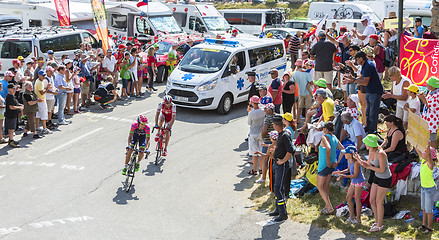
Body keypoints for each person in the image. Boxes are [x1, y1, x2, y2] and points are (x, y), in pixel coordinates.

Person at [357, 134, 391, 232]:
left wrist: (369, 167)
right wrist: (359, 160)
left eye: (366, 142)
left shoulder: (381, 154)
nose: (364, 144)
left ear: (371, 144)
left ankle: (380, 225)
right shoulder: (371, 150)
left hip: (384, 178)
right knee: (372, 200)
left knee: (379, 202)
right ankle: (377, 221)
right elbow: (368, 164)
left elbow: (381, 169)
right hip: (377, 177)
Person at [347, 51, 384, 134]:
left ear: (361, 58)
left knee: (372, 112)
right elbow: (362, 78)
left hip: (375, 91)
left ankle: (372, 130)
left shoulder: (368, 65)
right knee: (368, 111)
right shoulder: (365, 65)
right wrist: (352, 79)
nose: (356, 62)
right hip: (369, 90)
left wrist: (353, 80)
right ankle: (368, 128)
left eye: (356, 60)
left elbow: (365, 82)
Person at [270, 115, 294, 222]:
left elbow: (291, 150)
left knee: (278, 188)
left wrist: (283, 161)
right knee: (277, 187)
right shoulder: (281, 134)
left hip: (282, 165)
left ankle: (283, 213)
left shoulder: (284, 135)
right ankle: (278, 209)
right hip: (277, 163)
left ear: (276, 125)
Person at [317, 122, 343, 215]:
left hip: (324, 165)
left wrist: (327, 161)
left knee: (320, 187)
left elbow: (328, 148)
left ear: (326, 129)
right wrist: (338, 161)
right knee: (326, 186)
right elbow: (342, 149)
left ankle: (329, 206)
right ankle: (326, 206)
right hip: (332, 165)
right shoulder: (334, 137)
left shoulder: (324, 137)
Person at [335, 145, 365, 224]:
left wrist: (343, 176)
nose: (344, 155)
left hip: (358, 181)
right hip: (354, 181)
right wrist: (340, 172)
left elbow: (355, 175)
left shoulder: (356, 163)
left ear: (351, 154)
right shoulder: (349, 160)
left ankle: (358, 219)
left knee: (357, 199)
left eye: (346, 153)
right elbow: (348, 170)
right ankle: (352, 216)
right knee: (348, 197)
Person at [414, 145, 437, 234]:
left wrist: (427, 146)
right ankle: (424, 224)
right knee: (423, 208)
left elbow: (428, 156)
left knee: (429, 210)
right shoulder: (423, 161)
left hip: (429, 189)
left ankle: (430, 227)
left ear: (429, 156)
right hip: (424, 188)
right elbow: (419, 152)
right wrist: (415, 144)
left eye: (424, 152)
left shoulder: (430, 164)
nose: (421, 153)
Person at [247, 95, 265, 177]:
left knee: (254, 153)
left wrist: (249, 111)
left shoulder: (251, 113)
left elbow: (249, 123)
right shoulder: (262, 110)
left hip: (253, 133)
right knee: (261, 152)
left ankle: (254, 170)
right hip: (261, 133)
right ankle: (261, 169)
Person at [419, 76, 439, 149]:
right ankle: (428, 152)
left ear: (432, 86)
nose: (426, 85)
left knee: (432, 138)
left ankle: (433, 155)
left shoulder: (437, 95)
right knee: (427, 137)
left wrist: (423, 99)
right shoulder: (431, 92)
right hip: (428, 118)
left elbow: (430, 106)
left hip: (433, 120)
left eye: (428, 84)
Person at [292, 59, 313, 125]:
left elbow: (293, 82)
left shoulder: (294, 73)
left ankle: (298, 120)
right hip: (308, 92)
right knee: (308, 108)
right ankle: (307, 122)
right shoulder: (306, 73)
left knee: (299, 108)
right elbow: (311, 82)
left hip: (300, 92)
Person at [259, 103, 275, 184]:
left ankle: (263, 177)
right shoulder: (276, 117)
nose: (264, 111)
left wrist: (262, 136)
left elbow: (264, 129)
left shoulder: (267, 119)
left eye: (265, 109)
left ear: (269, 110)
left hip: (267, 141)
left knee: (265, 159)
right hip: (274, 141)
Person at [5, 83, 23, 148]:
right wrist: (19, 108)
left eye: (14, 89)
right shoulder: (9, 96)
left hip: (13, 114)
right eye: (13, 89)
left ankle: (10, 139)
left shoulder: (12, 96)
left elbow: (15, 103)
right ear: (9, 89)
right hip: (11, 114)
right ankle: (11, 141)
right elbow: (11, 107)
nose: (14, 90)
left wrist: (19, 105)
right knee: (11, 129)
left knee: (11, 128)